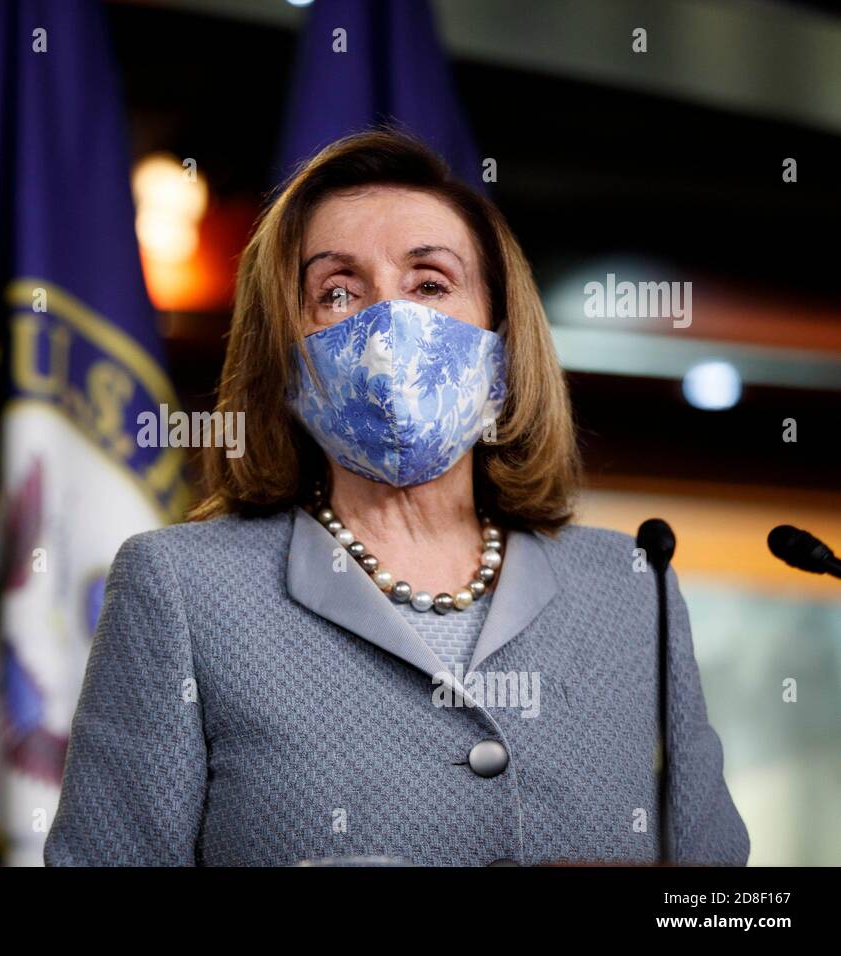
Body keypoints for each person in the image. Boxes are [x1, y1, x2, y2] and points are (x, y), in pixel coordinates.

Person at [45, 129, 750, 866]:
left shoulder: (633, 588)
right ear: (287, 359)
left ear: (501, 343)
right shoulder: (185, 589)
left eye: (430, 285)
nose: (387, 330)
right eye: (337, 292)